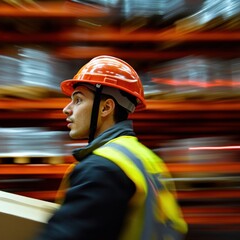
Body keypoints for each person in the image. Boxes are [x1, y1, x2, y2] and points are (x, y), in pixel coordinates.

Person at [34, 55, 188, 240]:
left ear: (106, 108)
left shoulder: (101, 169)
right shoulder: (145, 156)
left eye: (78, 100)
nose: (66, 109)